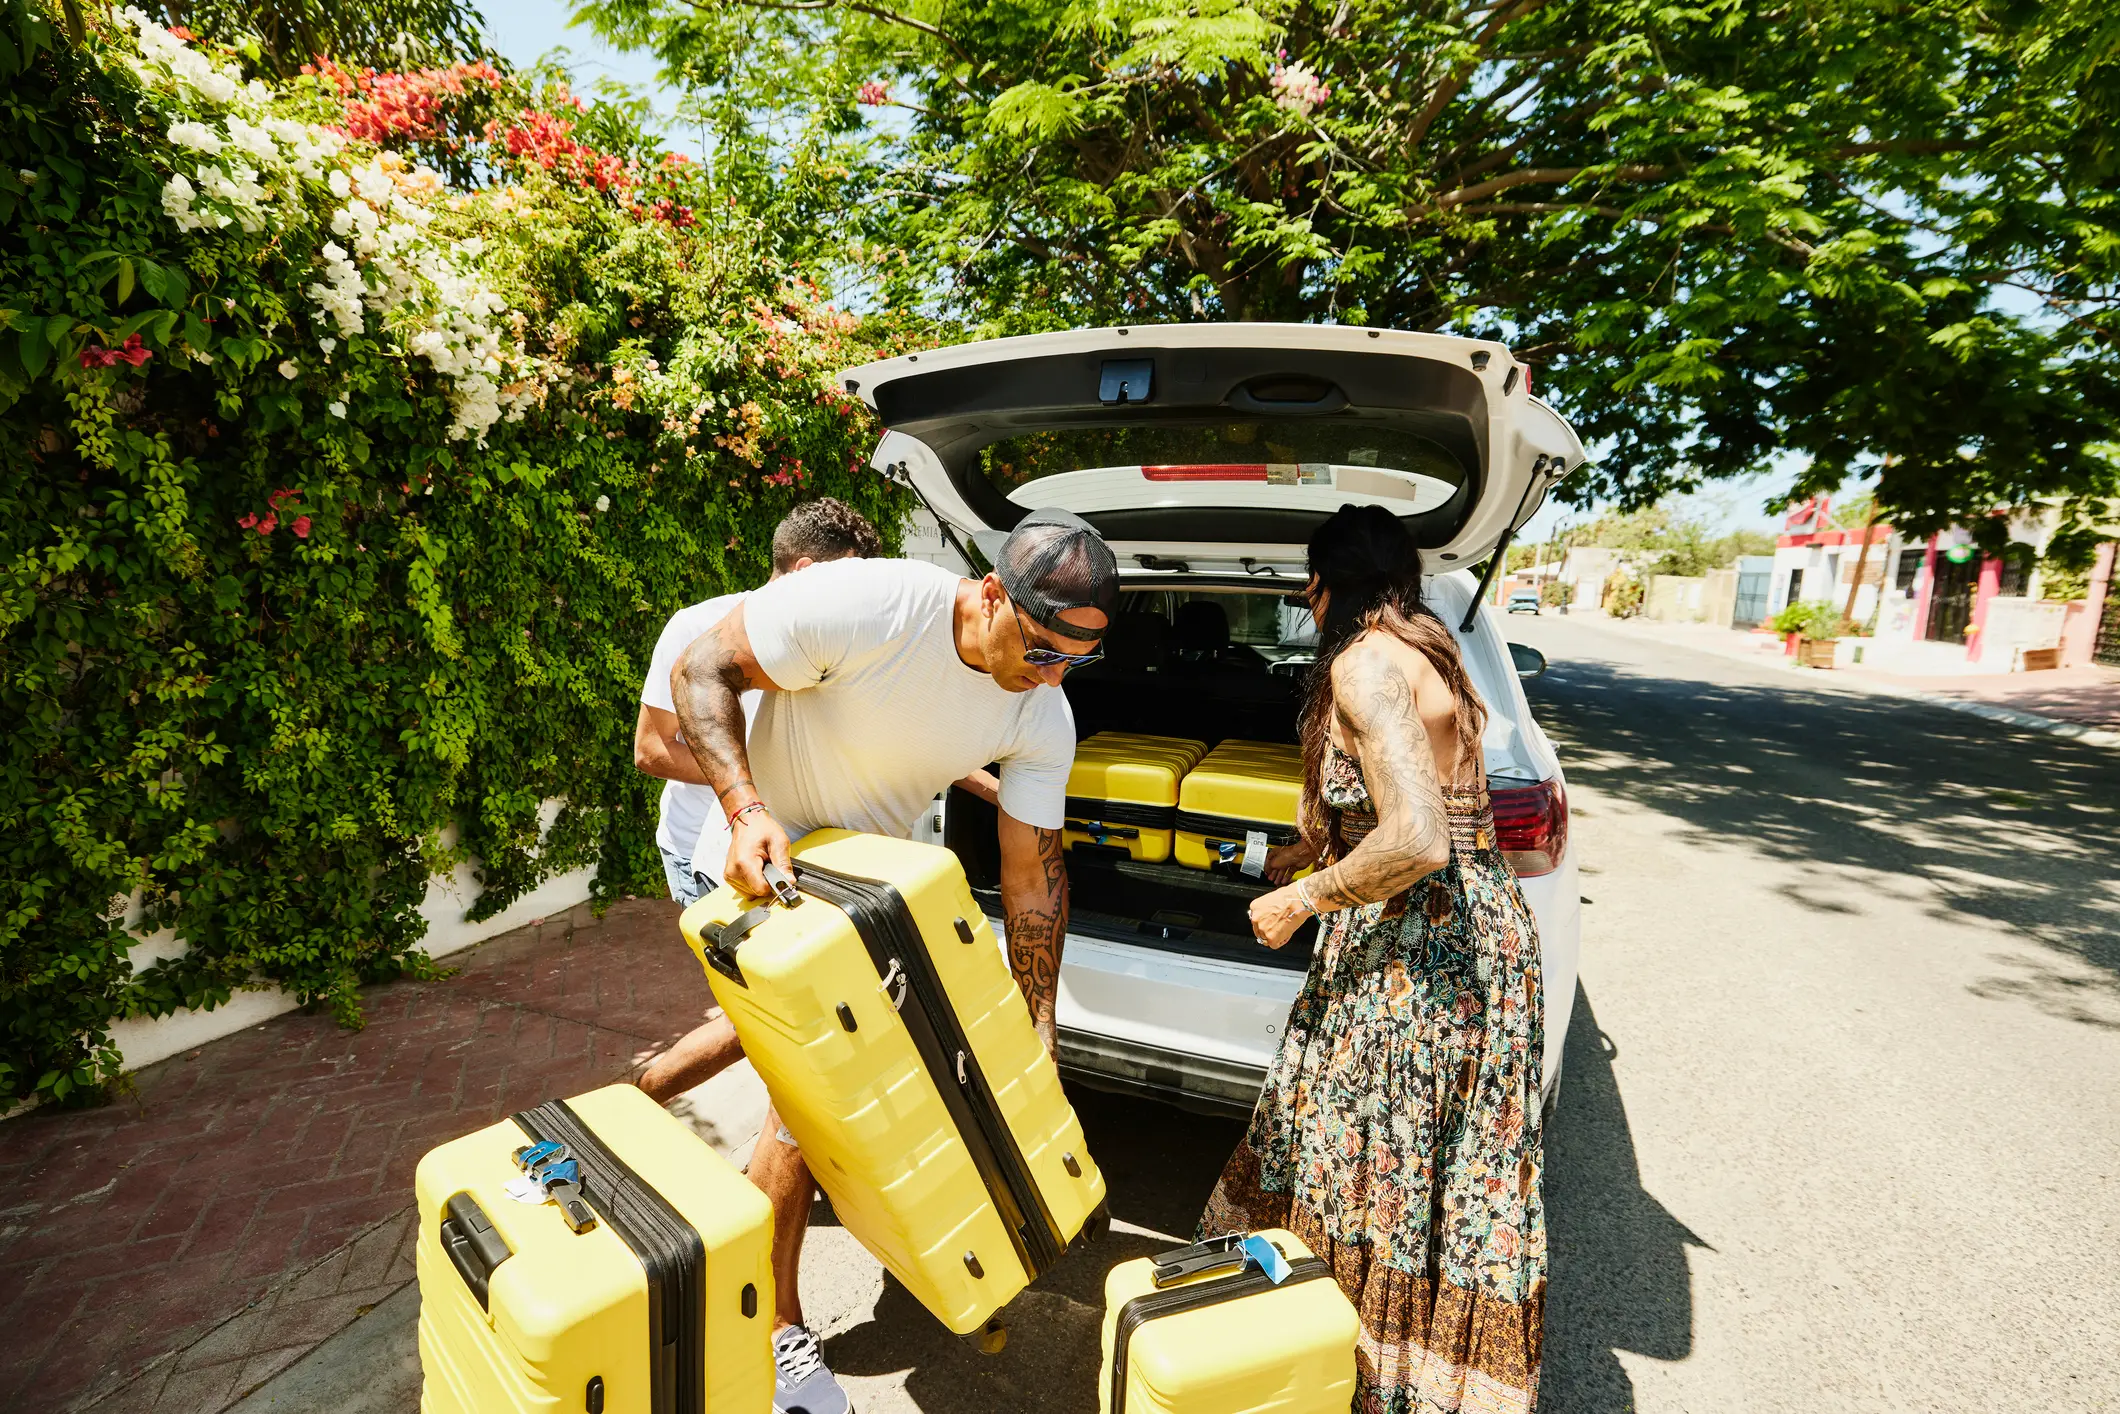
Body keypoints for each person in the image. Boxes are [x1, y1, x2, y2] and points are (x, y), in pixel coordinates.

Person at [670, 507, 1117, 1414]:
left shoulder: (1044, 714)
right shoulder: (869, 604)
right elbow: (700, 668)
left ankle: (634, 1100)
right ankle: (772, 1334)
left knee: (790, 1073)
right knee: (804, 1106)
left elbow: (1033, 881)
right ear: (992, 593)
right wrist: (747, 808)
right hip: (766, 864)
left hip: (865, 890)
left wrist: (1039, 1030)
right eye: (1041, 649)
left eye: (1077, 661)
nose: (1052, 675)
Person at [1198, 503, 1547, 1414]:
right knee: (1435, 1186)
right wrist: (1312, 853)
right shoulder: (1431, 649)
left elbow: (1421, 839)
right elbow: (1418, 810)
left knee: (1364, 1175)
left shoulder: (1363, 665)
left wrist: (1301, 897)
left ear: (1321, 590)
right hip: (1482, 948)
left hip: (1419, 963)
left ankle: (1347, 1379)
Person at [631, 498, 883, 1103]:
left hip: (793, 851)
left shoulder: (834, 641)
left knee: (770, 1007)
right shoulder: (696, 627)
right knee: (767, 1012)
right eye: (848, 584)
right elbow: (651, 751)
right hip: (705, 850)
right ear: (803, 574)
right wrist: (752, 792)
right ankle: (640, 1097)